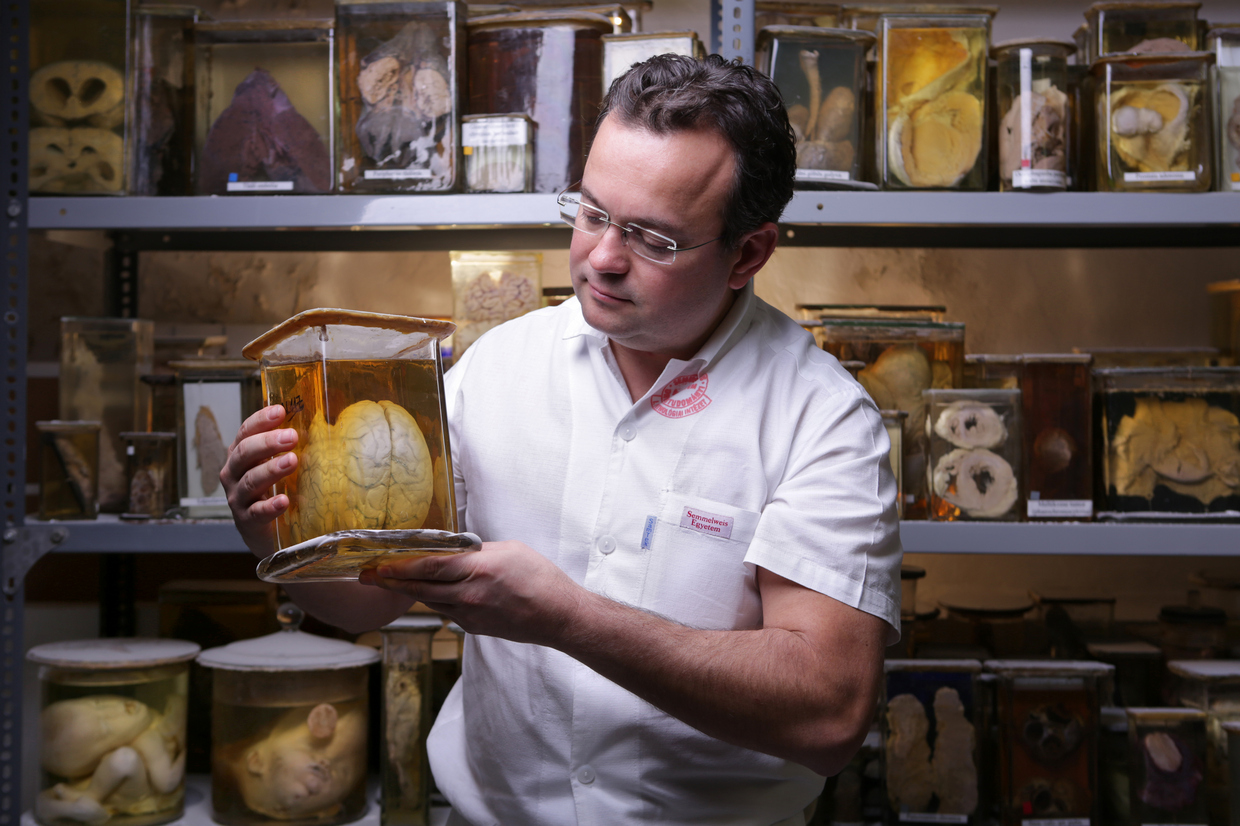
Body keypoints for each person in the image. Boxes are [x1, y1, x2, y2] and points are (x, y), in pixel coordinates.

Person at [222, 54, 902, 826]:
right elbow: (365, 602)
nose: (603, 259)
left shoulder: (823, 419)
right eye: (592, 213)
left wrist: (566, 617)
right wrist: (274, 531)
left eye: (653, 239)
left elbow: (828, 714)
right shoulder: (498, 367)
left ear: (748, 253)